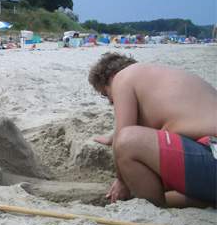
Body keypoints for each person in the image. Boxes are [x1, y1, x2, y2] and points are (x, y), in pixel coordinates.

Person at [88, 52, 216, 208]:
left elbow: (125, 133)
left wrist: (122, 181)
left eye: (105, 94)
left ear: (110, 78)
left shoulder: (122, 78)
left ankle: (154, 210)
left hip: (211, 154)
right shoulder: (167, 78)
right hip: (208, 156)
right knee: (164, 189)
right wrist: (112, 137)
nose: (110, 101)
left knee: (127, 141)